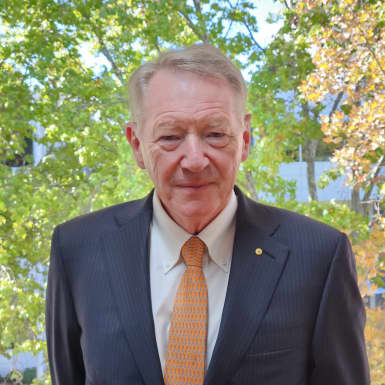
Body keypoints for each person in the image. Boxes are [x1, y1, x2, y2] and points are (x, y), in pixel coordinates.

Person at [46, 44, 370, 385]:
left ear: (244, 140)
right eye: (170, 137)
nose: (195, 160)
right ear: (137, 145)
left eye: (215, 134)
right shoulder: (78, 250)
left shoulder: (318, 257)